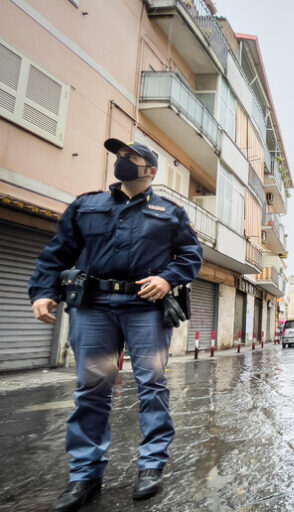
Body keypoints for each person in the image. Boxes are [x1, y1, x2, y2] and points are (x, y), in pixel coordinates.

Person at [28, 139, 203, 511]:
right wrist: (44, 292)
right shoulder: (86, 205)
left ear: (151, 171)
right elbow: (58, 252)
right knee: (92, 390)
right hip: (93, 308)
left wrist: (168, 278)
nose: (122, 161)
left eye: (131, 158)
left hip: (147, 309)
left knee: (151, 386)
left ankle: (152, 465)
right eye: (119, 156)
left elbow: (191, 255)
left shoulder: (170, 212)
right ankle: (85, 475)